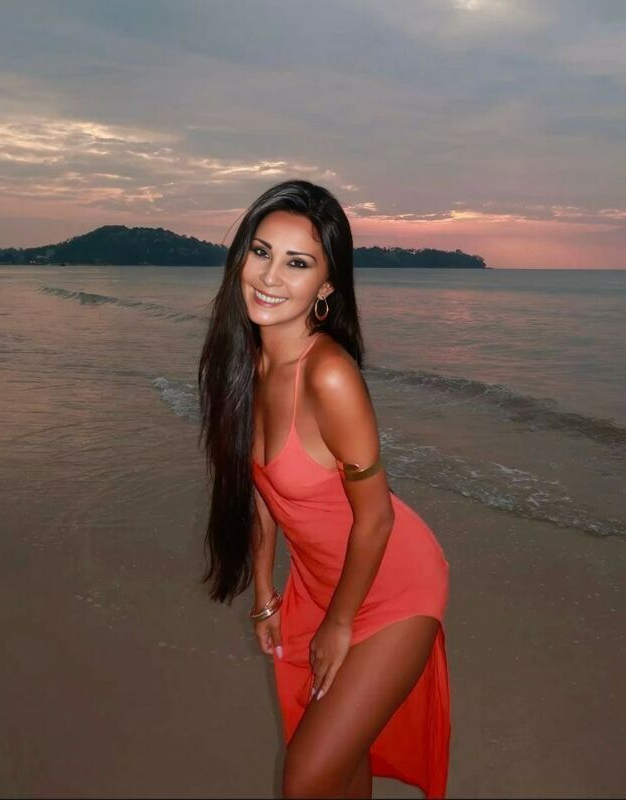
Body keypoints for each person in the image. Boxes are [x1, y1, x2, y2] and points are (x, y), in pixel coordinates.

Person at [198, 180, 450, 799]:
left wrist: (338, 625)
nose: (269, 276)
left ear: (326, 287)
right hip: (316, 586)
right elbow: (261, 493)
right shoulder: (246, 365)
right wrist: (265, 591)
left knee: (306, 778)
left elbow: (376, 519)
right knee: (340, 762)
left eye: (298, 263)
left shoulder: (330, 377)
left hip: (390, 587)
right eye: (261, 252)